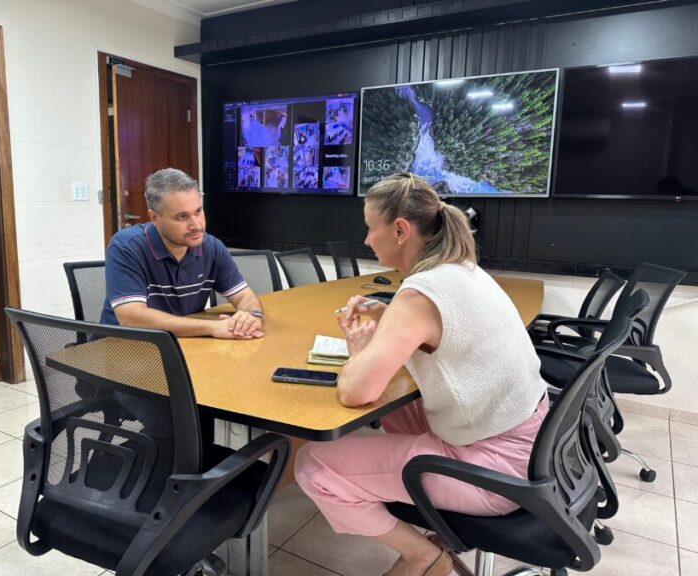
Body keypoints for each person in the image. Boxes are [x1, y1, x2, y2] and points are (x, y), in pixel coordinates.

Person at [294, 172, 548, 576]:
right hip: (531, 447)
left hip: (495, 473)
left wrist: (358, 348)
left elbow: (355, 392)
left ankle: (421, 556)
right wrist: (390, 314)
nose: (366, 240)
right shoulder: (462, 269)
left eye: (370, 228)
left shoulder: (418, 296)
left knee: (313, 464)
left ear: (400, 230)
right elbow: (437, 325)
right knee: (394, 406)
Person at [100, 168, 264, 339]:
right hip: (122, 345)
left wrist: (251, 317)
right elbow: (131, 318)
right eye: (182, 217)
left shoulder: (211, 247)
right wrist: (212, 327)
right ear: (154, 218)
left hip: (183, 342)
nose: (197, 225)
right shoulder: (126, 246)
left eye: (198, 211)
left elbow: (245, 296)